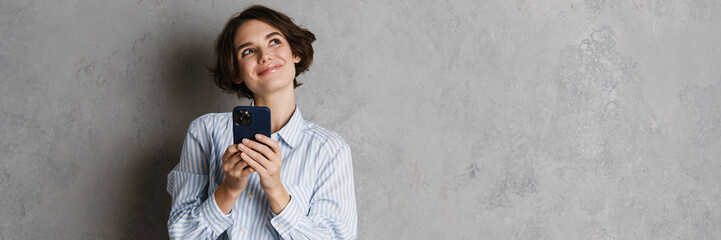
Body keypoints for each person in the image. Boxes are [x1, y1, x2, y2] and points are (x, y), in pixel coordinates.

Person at [166, 5, 357, 239]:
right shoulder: (205, 132)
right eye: (247, 51)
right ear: (236, 72)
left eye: (274, 42)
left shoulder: (330, 150)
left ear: (295, 52)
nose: (264, 56)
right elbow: (182, 235)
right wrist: (229, 188)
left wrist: (275, 189)